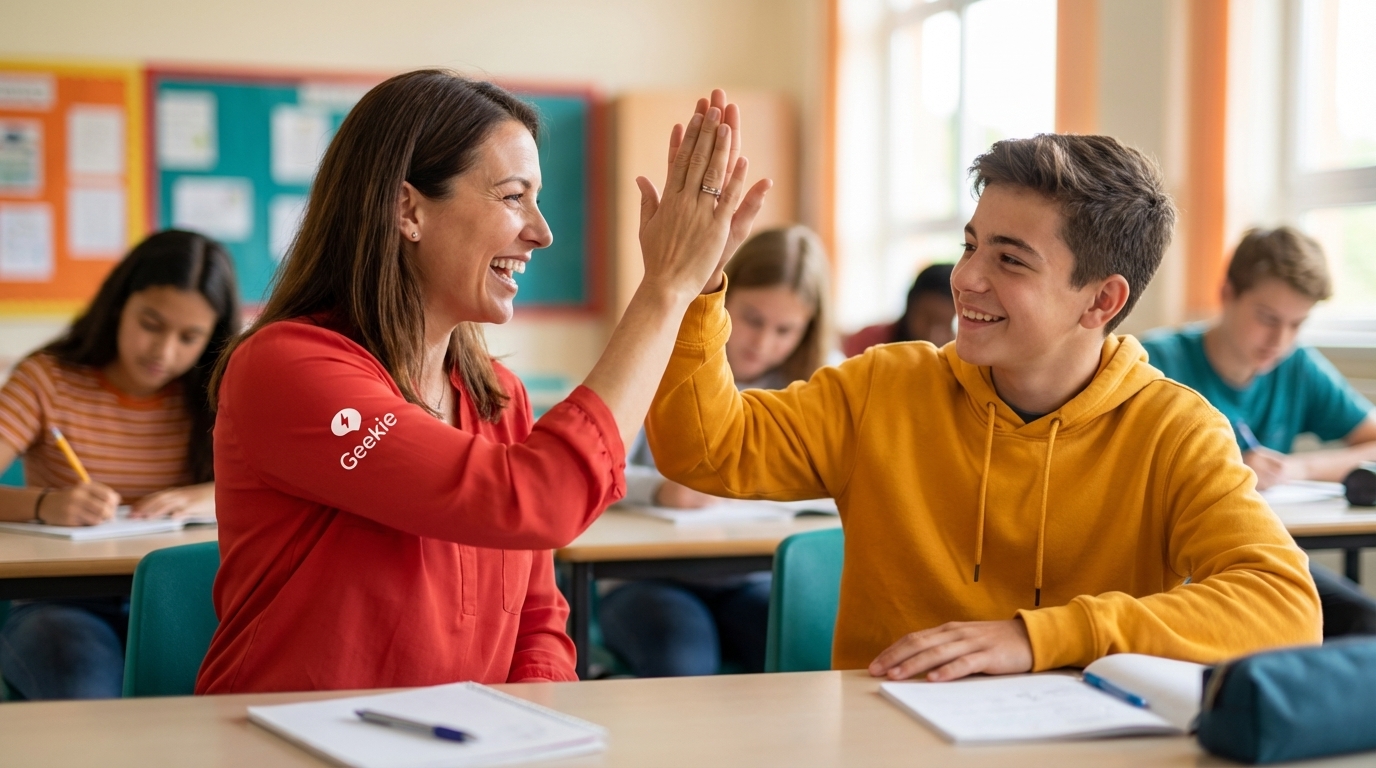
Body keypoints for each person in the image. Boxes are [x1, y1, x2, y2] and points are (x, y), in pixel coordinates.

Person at [645, 134, 1321, 683]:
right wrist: (695, 288)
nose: (965, 278)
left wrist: (1041, 638)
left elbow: (1285, 608)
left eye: (1010, 260)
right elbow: (705, 449)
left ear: (1102, 301)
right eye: (971, 245)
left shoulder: (1175, 431)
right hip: (889, 736)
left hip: (1085, 744)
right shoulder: (886, 385)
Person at [195, 73, 772, 693]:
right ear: (407, 209)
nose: (541, 232)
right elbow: (539, 499)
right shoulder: (286, 369)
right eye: (513, 196)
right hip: (288, 741)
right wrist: (665, 291)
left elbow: (538, 620)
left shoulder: (499, 398)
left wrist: (535, 720)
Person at [0, 229, 241, 699]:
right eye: (150, 323)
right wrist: (45, 505)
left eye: (190, 337)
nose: (163, 351)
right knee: (86, 697)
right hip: (64, 603)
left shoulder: (219, 389)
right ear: (118, 305)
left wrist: (213, 493)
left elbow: (290, 485)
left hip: (184, 600)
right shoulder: (46, 379)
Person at [602, 224, 833, 677]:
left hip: (753, 575)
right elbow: (595, 462)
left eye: (785, 330)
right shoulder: (659, 357)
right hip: (648, 575)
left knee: (807, 649)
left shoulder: (815, 384)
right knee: (682, 658)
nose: (763, 343)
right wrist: (659, 489)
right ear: (722, 293)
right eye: (751, 318)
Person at [1141, 227, 1376, 636]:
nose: (1279, 340)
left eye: (1296, 324)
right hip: (1172, 568)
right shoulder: (1155, 361)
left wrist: (1295, 469)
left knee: (1363, 621)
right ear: (1227, 293)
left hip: (1254, 559)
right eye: (1268, 319)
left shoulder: (1297, 366)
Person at [842, 263, 955, 356]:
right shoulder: (870, 343)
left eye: (949, 325)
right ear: (910, 308)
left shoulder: (963, 364)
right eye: (928, 320)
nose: (934, 335)